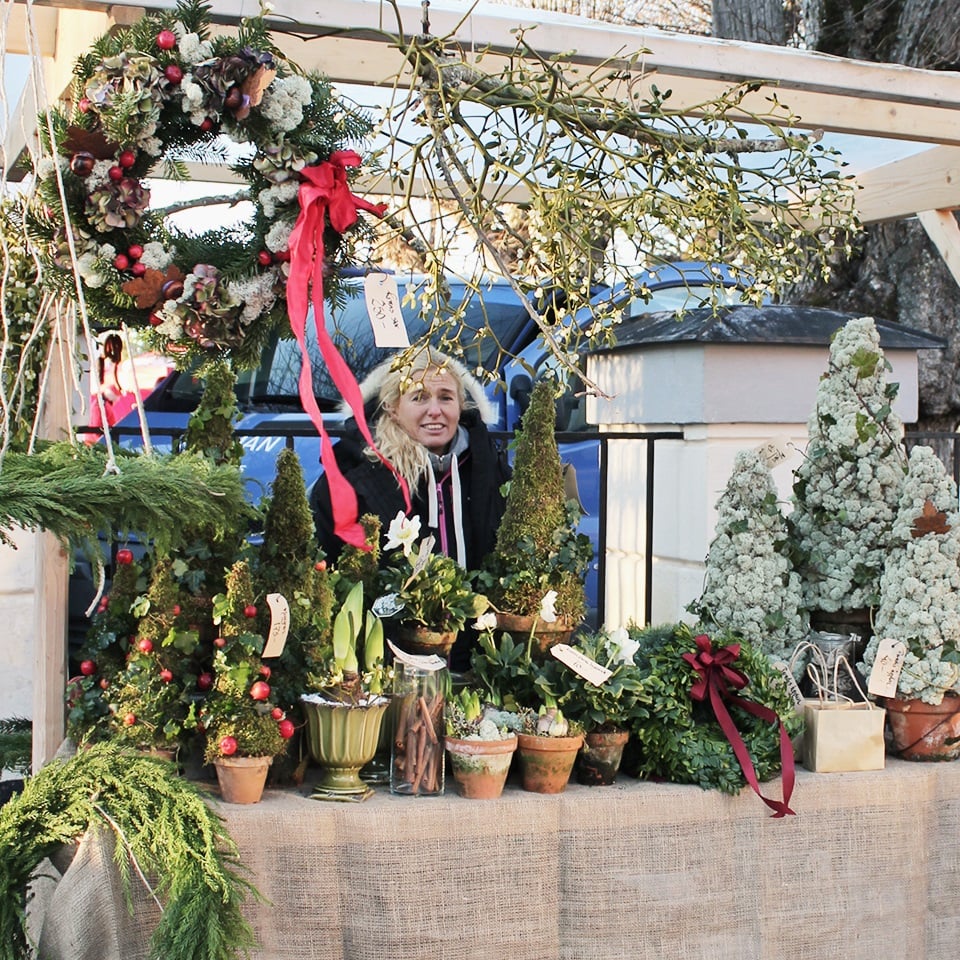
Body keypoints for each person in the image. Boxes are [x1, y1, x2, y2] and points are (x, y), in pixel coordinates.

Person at [309, 349, 511, 669]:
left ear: (461, 405)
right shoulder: (353, 477)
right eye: (419, 397)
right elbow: (324, 566)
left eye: (446, 397)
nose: (435, 410)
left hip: (476, 657)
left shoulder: (490, 468)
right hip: (387, 658)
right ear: (391, 406)